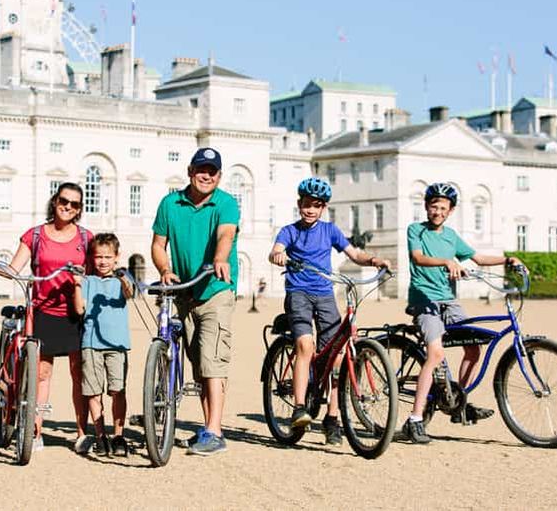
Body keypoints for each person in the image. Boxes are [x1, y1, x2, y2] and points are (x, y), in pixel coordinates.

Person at [268, 177, 391, 446]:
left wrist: (374, 260)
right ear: (299, 204)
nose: (310, 210)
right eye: (306, 205)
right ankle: (300, 407)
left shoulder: (330, 231)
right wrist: (278, 255)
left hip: (325, 294)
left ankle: (332, 418)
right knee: (304, 344)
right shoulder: (289, 231)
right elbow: (276, 250)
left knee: (336, 356)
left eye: (316, 206)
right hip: (298, 293)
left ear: (323, 208)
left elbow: (353, 253)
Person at [402, 182, 524, 444]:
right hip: (424, 301)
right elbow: (417, 257)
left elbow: (477, 258)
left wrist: (507, 259)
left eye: (442, 208)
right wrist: (447, 261)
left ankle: (458, 401)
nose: (437, 211)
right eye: (433, 206)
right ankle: (414, 419)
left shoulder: (451, 236)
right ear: (426, 207)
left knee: (473, 347)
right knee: (435, 354)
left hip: (449, 301)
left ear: (450, 210)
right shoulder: (416, 230)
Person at [0, 183, 92, 453]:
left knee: (80, 374)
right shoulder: (36, 235)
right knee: (42, 373)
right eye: (64, 200)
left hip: (75, 311)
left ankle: (82, 433)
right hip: (42, 310)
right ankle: (35, 428)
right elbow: (15, 269)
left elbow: (96, 273)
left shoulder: (86, 238)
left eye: (75, 204)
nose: (68, 207)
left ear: (79, 209)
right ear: (55, 201)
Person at [151, 147, 239, 457]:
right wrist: (165, 270)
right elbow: (158, 245)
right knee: (198, 364)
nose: (206, 175)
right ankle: (207, 427)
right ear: (190, 170)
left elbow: (225, 235)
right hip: (185, 291)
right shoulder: (170, 203)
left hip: (216, 288)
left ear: (219, 175)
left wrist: (219, 259)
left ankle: (215, 431)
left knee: (212, 359)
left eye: (212, 171)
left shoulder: (226, 203)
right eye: (201, 169)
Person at [73, 233, 133, 457]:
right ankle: (100, 435)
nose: (103, 261)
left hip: (117, 344)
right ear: (92, 257)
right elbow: (79, 310)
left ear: (117, 257)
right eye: (98, 256)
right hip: (91, 344)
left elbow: (130, 293)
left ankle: (119, 434)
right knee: (93, 391)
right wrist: (77, 286)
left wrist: (122, 278)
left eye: (108, 256)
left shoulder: (122, 278)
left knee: (118, 389)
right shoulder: (88, 281)